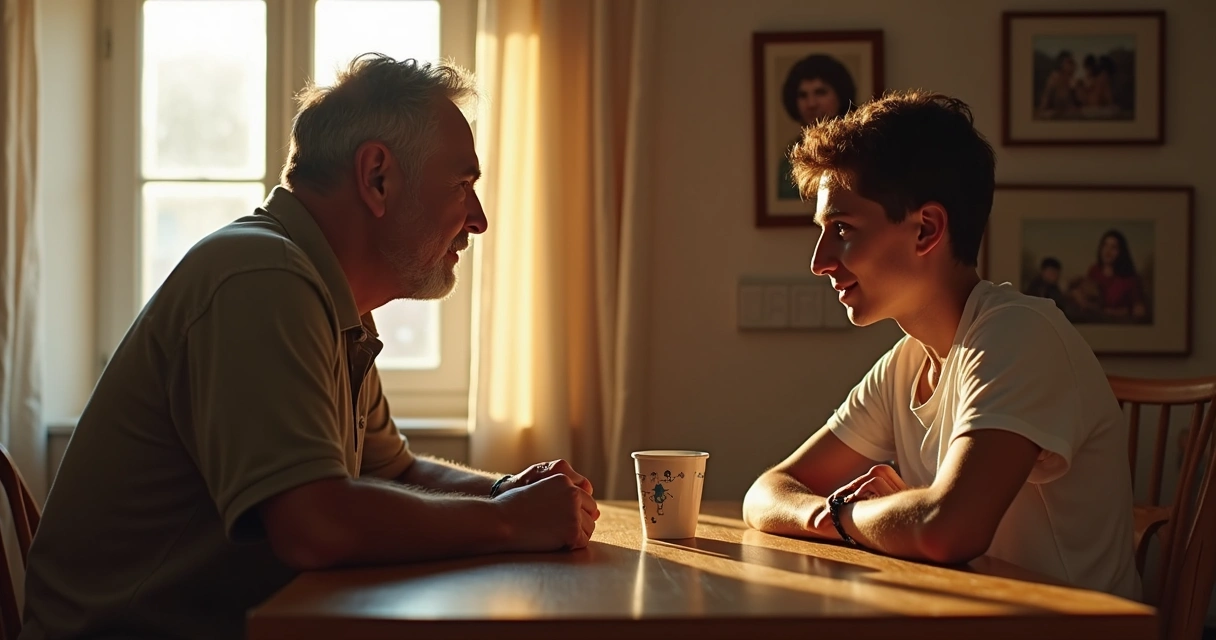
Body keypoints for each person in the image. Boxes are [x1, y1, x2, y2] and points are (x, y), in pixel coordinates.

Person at [21, 54, 599, 640]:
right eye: (462, 185)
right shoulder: (260, 278)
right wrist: (506, 521)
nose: (477, 220)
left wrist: (509, 490)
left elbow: (394, 472)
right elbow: (313, 523)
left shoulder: (327, 298)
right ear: (377, 177)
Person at [742, 90, 1140, 600]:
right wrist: (848, 516)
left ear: (926, 229)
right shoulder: (907, 364)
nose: (819, 261)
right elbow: (768, 491)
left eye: (841, 229)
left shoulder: (1019, 335)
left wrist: (851, 515)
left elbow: (947, 530)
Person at [776, 54, 856, 200]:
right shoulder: (789, 159)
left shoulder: (859, 150)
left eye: (820, 92)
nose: (811, 104)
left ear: (840, 94)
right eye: (803, 95)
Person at [1068, 229, 1149, 323]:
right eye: (1105, 245)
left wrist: (1117, 312)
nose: (1108, 251)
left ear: (1121, 252)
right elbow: (1088, 296)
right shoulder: (1094, 271)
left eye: (1113, 247)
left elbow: (1139, 310)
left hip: (1119, 325)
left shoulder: (1129, 278)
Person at [1037, 50, 1079, 119]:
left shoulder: (1072, 81)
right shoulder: (1055, 78)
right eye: (1070, 62)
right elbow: (1044, 104)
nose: (1074, 65)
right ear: (1061, 64)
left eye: (1073, 62)